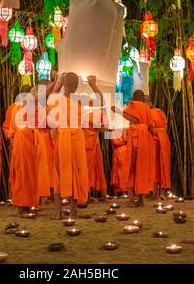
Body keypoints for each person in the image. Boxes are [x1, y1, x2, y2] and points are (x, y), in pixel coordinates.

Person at [49, 73, 103, 219]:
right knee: (76, 173)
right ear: (76, 86)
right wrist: (93, 85)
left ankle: (58, 212)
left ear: (64, 84)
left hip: (63, 138)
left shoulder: (57, 100)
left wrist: (58, 82)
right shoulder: (79, 101)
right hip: (77, 138)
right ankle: (73, 210)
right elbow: (100, 101)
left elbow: (49, 98)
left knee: (60, 172)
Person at [8, 88, 49, 216]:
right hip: (23, 139)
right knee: (23, 173)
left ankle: (28, 204)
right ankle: (21, 207)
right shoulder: (22, 105)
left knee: (31, 173)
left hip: (31, 139)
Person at [112, 90, 156, 207]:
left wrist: (118, 112)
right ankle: (141, 200)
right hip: (146, 140)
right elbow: (152, 127)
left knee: (130, 168)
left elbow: (134, 120)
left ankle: (131, 200)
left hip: (137, 139)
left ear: (134, 97)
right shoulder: (147, 108)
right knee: (142, 169)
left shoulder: (135, 105)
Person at [146, 96, 171, 199]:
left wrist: (155, 130)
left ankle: (162, 193)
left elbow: (164, 125)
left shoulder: (158, 111)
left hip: (162, 140)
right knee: (153, 166)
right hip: (151, 141)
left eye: (146, 103)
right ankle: (155, 193)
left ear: (150, 103)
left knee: (163, 165)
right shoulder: (144, 114)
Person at [110, 129, 128, 196]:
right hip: (118, 152)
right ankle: (117, 190)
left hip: (124, 152)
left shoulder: (125, 130)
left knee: (124, 171)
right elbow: (115, 143)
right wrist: (124, 141)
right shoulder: (113, 131)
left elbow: (127, 140)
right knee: (117, 171)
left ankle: (124, 190)